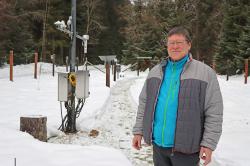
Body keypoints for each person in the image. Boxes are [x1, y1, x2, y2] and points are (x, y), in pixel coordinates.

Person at [132, 26, 223, 166]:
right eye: (171, 43)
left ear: (189, 45)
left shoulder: (205, 73)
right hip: (158, 147)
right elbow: (144, 104)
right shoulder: (155, 72)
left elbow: (214, 111)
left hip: (187, 149)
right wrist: (138, 131)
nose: (175, 46)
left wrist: (209, 143)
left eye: (179, 42)